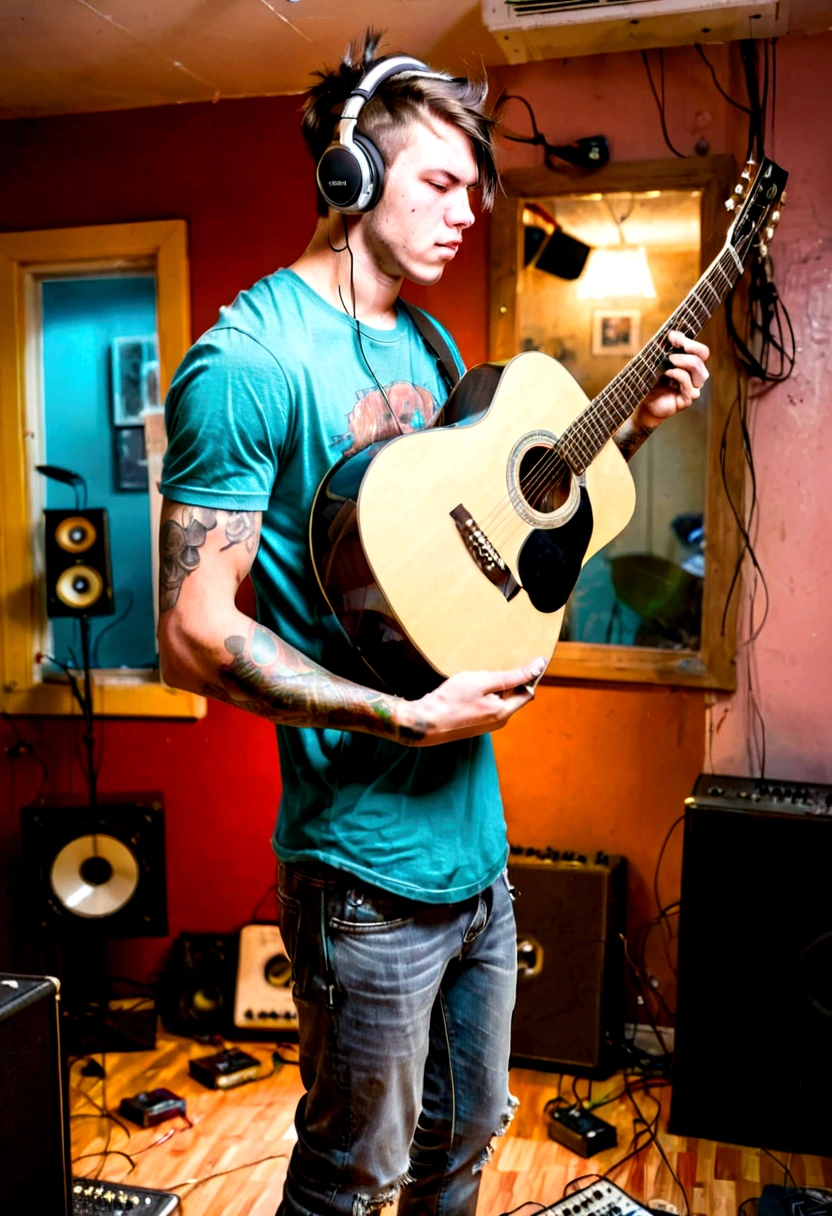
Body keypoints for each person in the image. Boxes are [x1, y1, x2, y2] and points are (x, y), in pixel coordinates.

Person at [157, 32, 710, 1216]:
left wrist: (637, 427)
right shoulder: (247, 362)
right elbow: (195, 635)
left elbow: (502, 537)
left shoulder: (428, 344)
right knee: (349, 1179)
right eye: (441, 182)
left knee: (459, 1151)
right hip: (360, 874)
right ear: (348, 177)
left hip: (476, 855)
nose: (468, 212)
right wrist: (403, 716)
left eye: (478, 188)